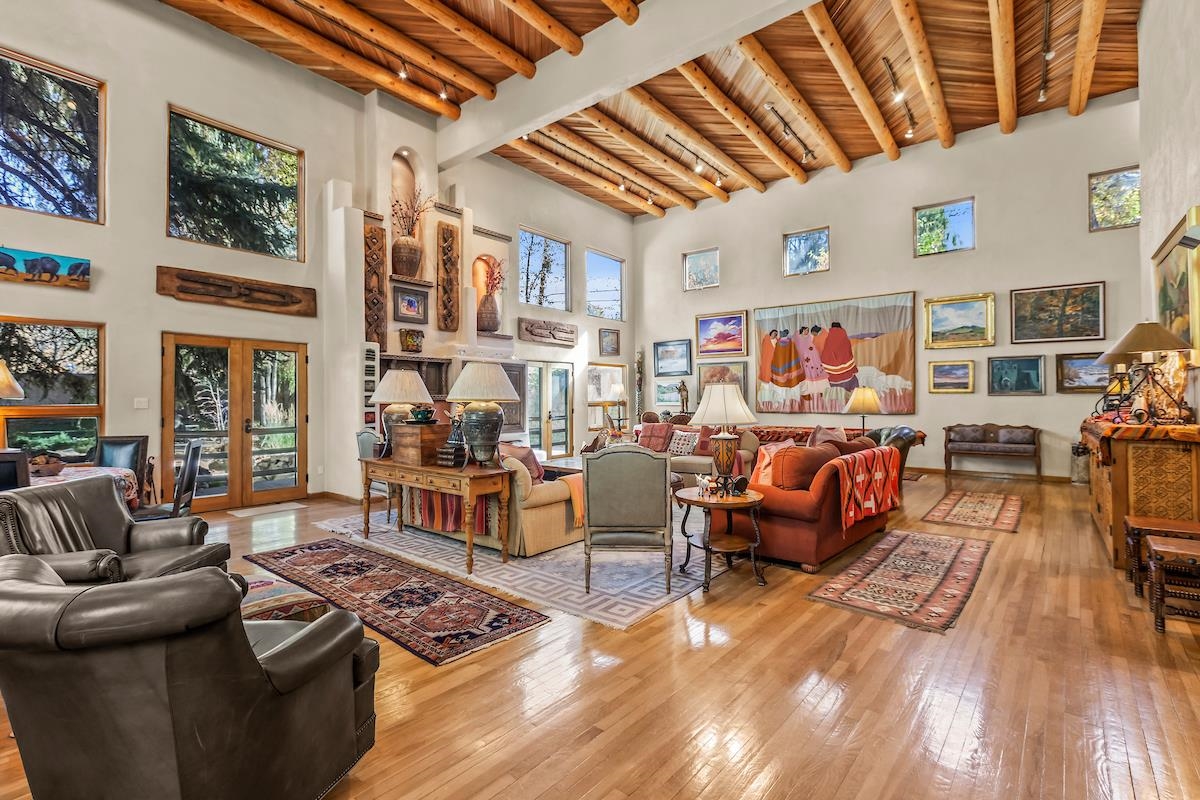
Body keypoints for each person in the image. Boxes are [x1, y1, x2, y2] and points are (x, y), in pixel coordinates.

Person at [821, 321, 859, 391]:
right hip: (848, 376)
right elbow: (849, 353)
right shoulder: (845, 338)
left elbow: (825, 355)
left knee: (837, 396)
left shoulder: (829, 339)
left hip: (833, 379)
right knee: (852, 394)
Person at [793, 325, 829, 399]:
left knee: (817, 373)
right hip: (805, 360)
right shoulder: (798, 337)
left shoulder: (810, 337)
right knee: (807, 375)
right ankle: (806, 392)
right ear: (802, 330)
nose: (807, 331)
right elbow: (799, 346)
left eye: (808, 330)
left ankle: (821, 390)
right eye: (806, 330)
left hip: (814, 359)